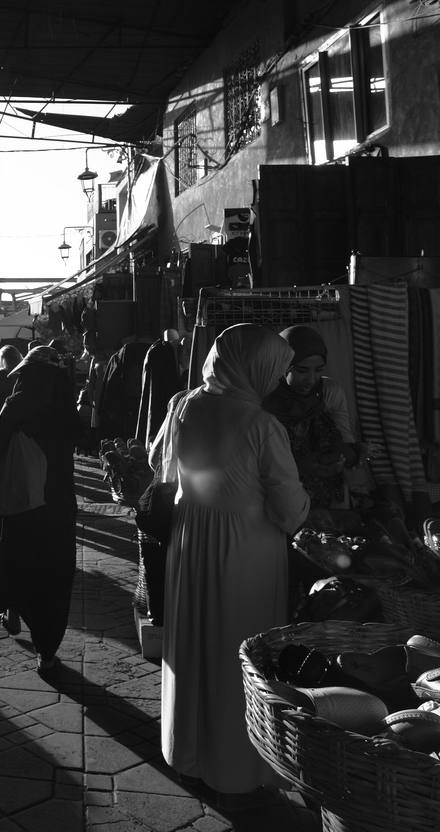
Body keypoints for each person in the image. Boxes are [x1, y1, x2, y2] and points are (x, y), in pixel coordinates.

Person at [150, 324, 309, 802]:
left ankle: (188, 751)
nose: (279, 380)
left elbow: (165, 467)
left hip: (190, 538)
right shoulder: (262, 425)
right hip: (244, 551)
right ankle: (237, 764)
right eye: (276, 369)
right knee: (236, 651)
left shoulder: (188, 405)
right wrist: (309, 501)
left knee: (194, 642)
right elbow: (289, 508)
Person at [0, 343, 80, 674]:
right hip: (59, 502)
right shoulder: (66, 409)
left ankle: (14, 610)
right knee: (54, 575)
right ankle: (47, 653)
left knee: (16, 563)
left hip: (21, 502)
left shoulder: (18, 403)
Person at [262, 325, 364, 517]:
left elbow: (342, 442)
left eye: (318, 370)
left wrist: (353, 453)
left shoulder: (325, 394)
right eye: (301, 370)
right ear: (282, 367)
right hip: (282, 506)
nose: (311, 379)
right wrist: (302, 468)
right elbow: (257, 468)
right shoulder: (263, 402)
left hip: (331, 504)